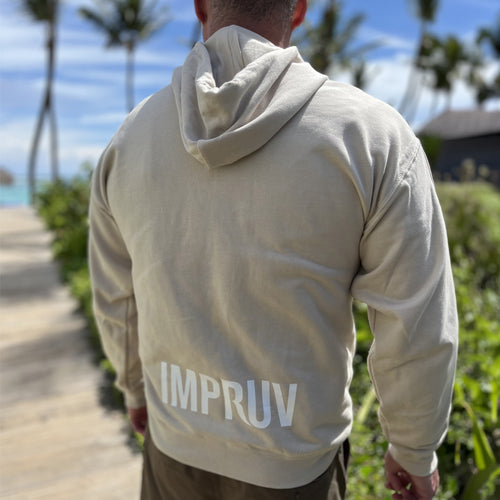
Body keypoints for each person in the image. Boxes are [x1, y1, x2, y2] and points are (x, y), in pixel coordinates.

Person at [88, 0, 458, 498]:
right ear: (299, 9)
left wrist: (134, 386)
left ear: (200, 6)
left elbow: (118, 296)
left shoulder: (130, 139)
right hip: (294, 466)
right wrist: (414, 447)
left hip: (174, 444)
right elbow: (416, 317)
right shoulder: (371, 137)